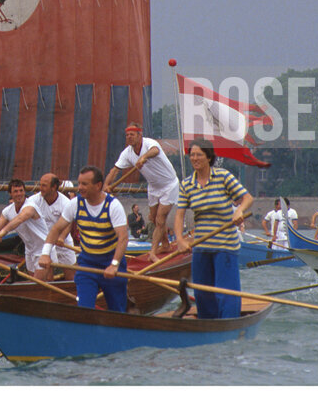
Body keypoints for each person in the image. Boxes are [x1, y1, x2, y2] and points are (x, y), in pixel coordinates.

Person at [173, 140, 254, 319]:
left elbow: (247, 198)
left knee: (226, 292)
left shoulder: (223, 176)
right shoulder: (187, 184)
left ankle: (228, 325)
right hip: (201, 246)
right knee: (202, 293)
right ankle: (207, 326)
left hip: (225, 246)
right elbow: (179, 216)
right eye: (192, 155)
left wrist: (239, 211)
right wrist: (180, 240)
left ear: (209, 157)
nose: (194, 158)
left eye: (199, 155)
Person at [38, 167, 129, 312]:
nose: (79, 187)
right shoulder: (75, 204)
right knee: (84, 310)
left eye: (84, 184)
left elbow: (123, 238)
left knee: (117, 310)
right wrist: (45, 253)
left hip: (110, 262)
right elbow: (56, 229)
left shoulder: (113, 206)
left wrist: (114, 265)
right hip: (87, 264)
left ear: (98, 185)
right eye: (79, 183)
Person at [106, 122, 180, 260]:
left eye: (132, 134)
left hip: (169, 184)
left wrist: (144, 157)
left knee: (160, 218)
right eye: (127, 135)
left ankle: (152, 252)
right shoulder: (127, 153)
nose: (129, 137)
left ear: (140, 135)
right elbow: (115, 170)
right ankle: (165, 244)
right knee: (152, 218)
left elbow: (155, 151)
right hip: (153, 187)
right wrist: (106, 185)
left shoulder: (149, 143)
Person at [0, 179, 55, 280]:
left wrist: (3, 232)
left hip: (44, 249)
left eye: (21, 190)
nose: (19, 194)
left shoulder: (30, 206)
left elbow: (20, 219)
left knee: (38, 283)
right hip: (29, 250)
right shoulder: (7, 211)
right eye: (16, 191)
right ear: (10, 193)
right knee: (36, 282)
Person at [28, 172, 77, 277]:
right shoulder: (33, 200)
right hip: (43, 243)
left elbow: (68, 224)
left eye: (44, 185)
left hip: (62, 242)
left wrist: (62, 237)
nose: (40, 188)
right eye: (40, 185)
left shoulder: (66, 203)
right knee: (47, 276)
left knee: (71, 276)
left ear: (54, 187)